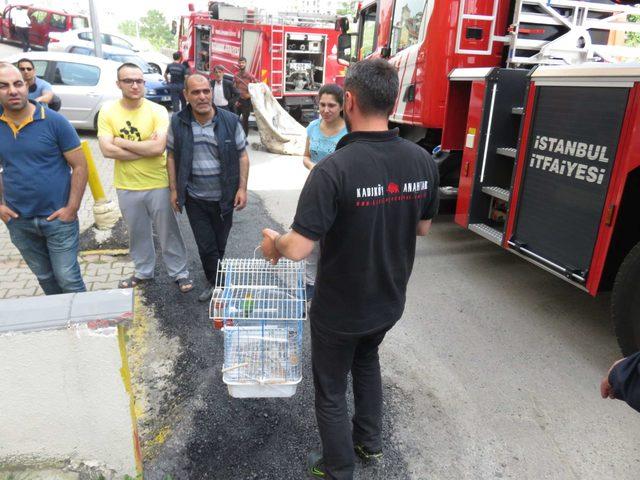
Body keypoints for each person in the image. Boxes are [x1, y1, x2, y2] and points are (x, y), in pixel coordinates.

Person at [261, 58, 439, 480]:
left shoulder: (332, 171)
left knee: (330, 388)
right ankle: (370, 443)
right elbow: (424, 228)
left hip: (340, 308)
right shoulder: (423, 162)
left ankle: (339, 467)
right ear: (392, 101)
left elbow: (299, 248)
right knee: (367, 360)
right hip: (388, 299)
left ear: (350, 101)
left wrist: (273, 244)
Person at [97, 62, 193, 293]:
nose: (135, 85)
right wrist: (142, 146)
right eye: (128, 80)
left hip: (158, 182)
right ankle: (143, 271)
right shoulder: (108, 110)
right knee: (137, 232)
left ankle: (180, 273)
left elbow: (157, 149)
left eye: (139, 80)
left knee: (168, 232)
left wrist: (119, 141)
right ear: (118, 84)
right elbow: (105, 151)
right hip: (126, 185)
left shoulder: (157, 111)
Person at [0, 62, 88, 295]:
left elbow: (80, 166)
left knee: (68, 279)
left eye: (18, 83)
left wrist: (72, 208)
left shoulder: (55, 122)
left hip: (58, 219)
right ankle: (62, 326)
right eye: (4, 86)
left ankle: (85, 326)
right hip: (19, 222)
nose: (13, 90)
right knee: (46, 279)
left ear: (27, 85)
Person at [167, 74, 249, 302]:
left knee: (219, 244)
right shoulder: (178, 121)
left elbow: (243, 155)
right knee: (206, 245)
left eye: (206, 91)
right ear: (186, 95)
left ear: (211, 92)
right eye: (195, 92)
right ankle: (219, 285)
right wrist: (174, 190)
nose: (202, 96)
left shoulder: (230, 121)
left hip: (225, 197)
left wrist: (242, 188)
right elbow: (171, 156)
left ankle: (216, 278)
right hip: (195, 197)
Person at [302, 83, 348, 300]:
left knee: (336, 240)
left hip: (341, 193)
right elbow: (305, 157)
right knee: (311, 239)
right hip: (315, 190)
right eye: (322, 105)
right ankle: (310, 285)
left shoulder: (350, 130)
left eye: (331, 105)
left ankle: (333, 285)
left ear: (341, 107)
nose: (326, 110)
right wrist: (315, 168)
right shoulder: (312, 127)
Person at [233, 57, 257, 135]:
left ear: (245, 63)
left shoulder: (250, 76)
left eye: (243, 63)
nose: (241, 64)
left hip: (246, 101)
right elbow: (234, 87)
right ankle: (236, 135)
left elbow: (256, 87)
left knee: (245, 120)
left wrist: (249, 95)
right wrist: (235, 99)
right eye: (240, 63)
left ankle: (244, 137)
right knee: (235, 118)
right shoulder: (236, 75)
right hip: (238, 100)